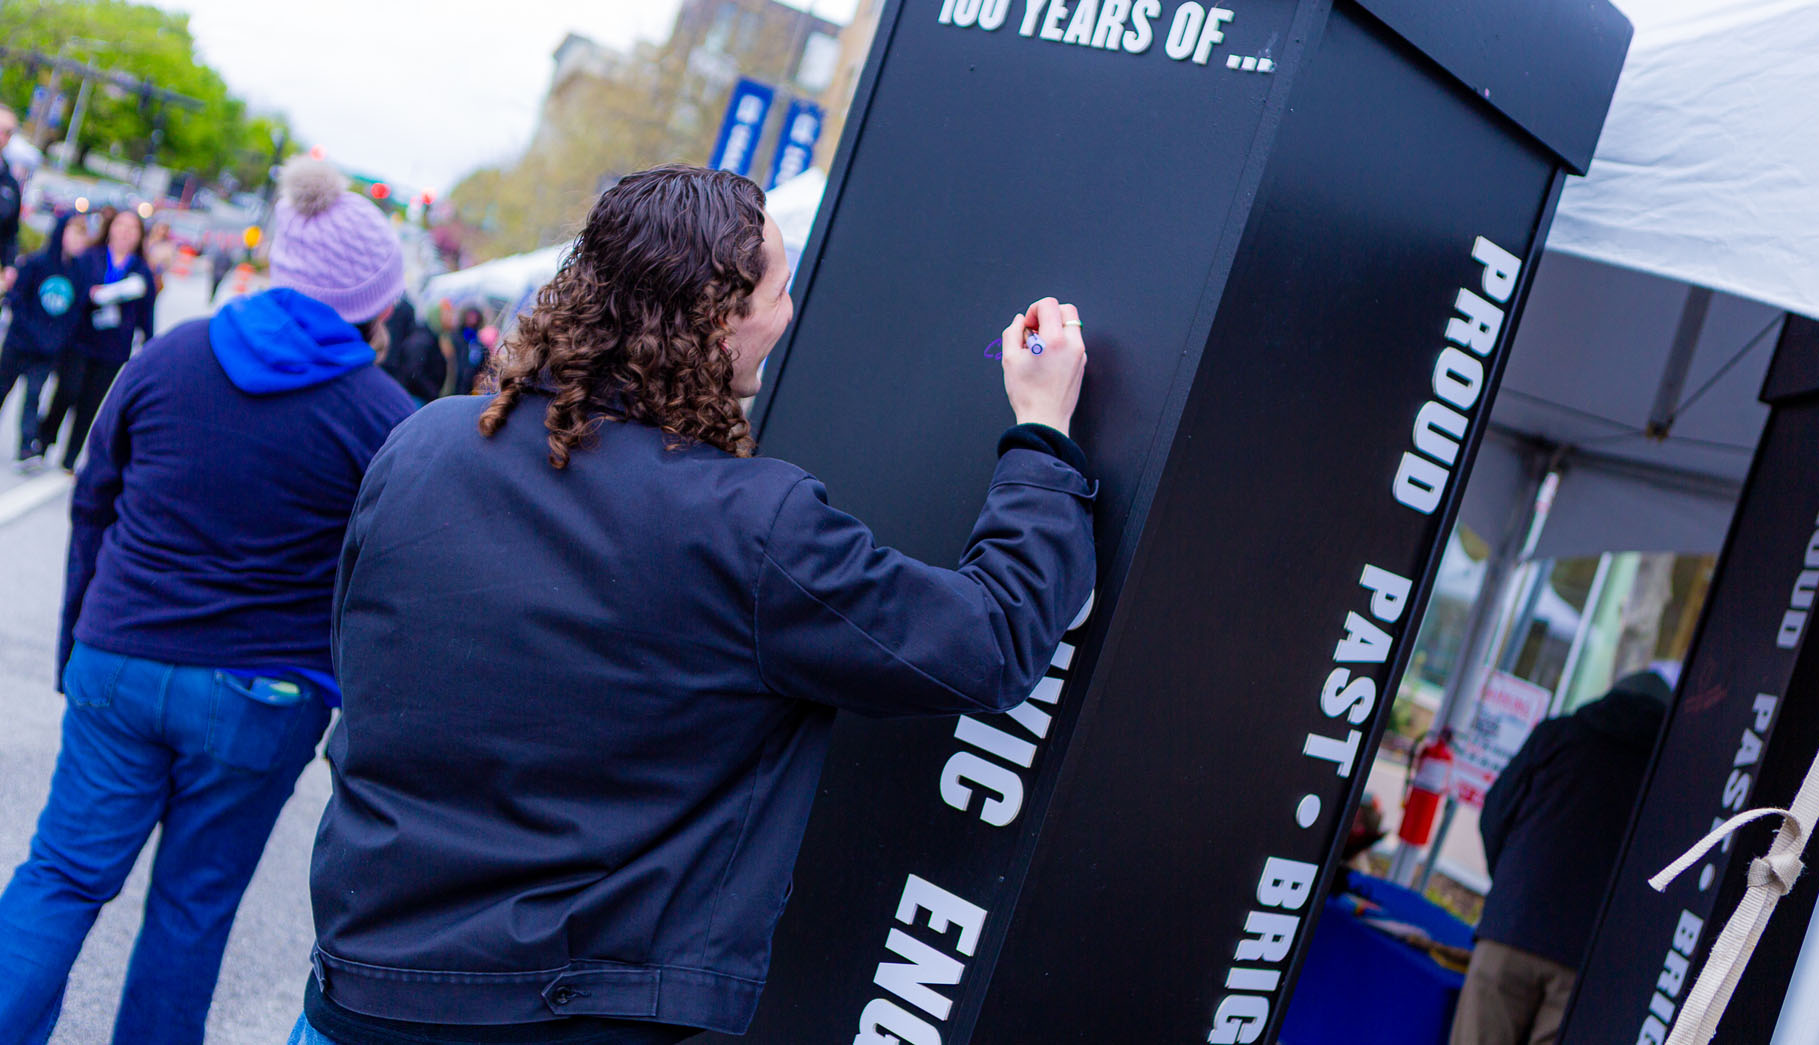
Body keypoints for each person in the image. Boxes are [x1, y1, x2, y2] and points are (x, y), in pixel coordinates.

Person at [293, 164, 1095, 1043]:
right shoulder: (753, 525)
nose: (788, 317)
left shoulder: (423, 442)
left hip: (358, 994)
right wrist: (1042, 435)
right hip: (568, 1013)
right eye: (781, 293)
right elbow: (989, 641)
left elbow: (362, 661)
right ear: (718, 322)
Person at [0, 156, 417, 1044]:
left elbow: (94, 500)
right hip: (262, 691)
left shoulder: (175, 357)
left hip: (121, 654)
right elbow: (386, 577)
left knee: (62, 875)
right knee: (191, 914)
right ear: (372, 303)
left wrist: (84, 634)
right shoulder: (384, 416)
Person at [1450, 664, 1676, 1045]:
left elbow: (1495, 814)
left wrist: (1510, 886)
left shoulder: (1559, 735)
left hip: (1512, 928)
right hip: (1585, 959)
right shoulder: (1665, 777)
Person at [41, 208, 157, 471]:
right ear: (110, 228)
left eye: (132, 228)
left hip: (113, 348)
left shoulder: (141, 272)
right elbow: (72, 295)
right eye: (121, 225)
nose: (125, 232)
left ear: (140, 236)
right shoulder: (89, 258)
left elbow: (147, 316)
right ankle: (45, 437)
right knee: (67, 390)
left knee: (90, 403)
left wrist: (149, 348)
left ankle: (71, 456)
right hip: (80, 339)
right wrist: (95, 296)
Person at [0, 214, 92, 468]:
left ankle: (26, 448)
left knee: (33, 397)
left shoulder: (79, 273)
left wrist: (57, 338)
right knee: (2, 389)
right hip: (19, 343)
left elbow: (76, 310)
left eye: (82, 235)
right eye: (73, 233)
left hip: (48, 349)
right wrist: (29, 329)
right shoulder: (37, 263)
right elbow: (16, 299)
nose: (77, 240)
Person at [378, 296, 447, 403]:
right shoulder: (420, 339)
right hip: (414, 395)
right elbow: (413, 371)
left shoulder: (417, 337)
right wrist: (432, 393)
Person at [0, 109, 21, 270]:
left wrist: (9, 265)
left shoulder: (10, 184)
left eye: (7, 132)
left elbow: (10, 231)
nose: (2, 136)